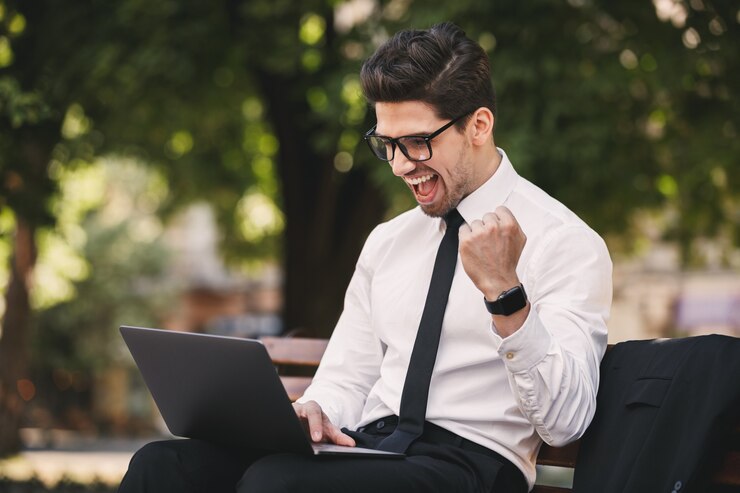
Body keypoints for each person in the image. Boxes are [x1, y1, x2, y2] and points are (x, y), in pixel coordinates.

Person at [119, 22, 612, 493]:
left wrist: (506, 296)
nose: (400, 165)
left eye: (418, 142)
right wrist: (317, 409)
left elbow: (565, 422)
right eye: (387, 144)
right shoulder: (388, 240)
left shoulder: (564, 241)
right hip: (370, 450)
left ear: (478, 125)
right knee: (164, 468)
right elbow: (347, 376)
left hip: (471, 465)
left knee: (279, 485)